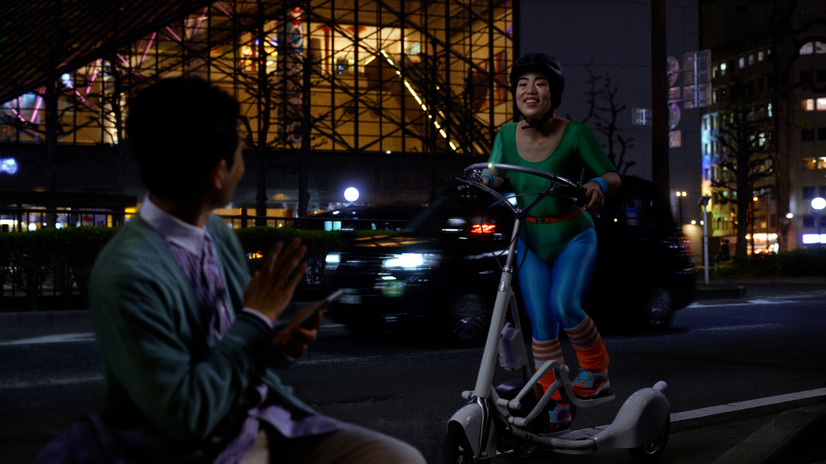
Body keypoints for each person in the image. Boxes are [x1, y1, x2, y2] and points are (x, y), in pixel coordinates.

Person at [83, 77, 425, 463]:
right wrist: (257, 318)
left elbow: (235, 342)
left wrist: (276, 342)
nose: (243, 166)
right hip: (193, 448)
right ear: (218, 172)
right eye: (240, 152)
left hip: (261, 419)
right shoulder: (128, 275)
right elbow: (184, 416)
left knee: (400, 458)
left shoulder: (215, 232)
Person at [481, 53, 621, 431]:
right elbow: (494, 172)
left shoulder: (575, 134)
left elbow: (611, 174)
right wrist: (485, 180)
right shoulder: (505, 136)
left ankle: (596, 371)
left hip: (573, 235)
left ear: (553, 93)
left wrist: (597, 184)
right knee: (541, 325)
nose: (530, 90)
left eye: (540, 83)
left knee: (564, 306)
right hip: (529, 238)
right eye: (522, 83)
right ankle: (553, 401)